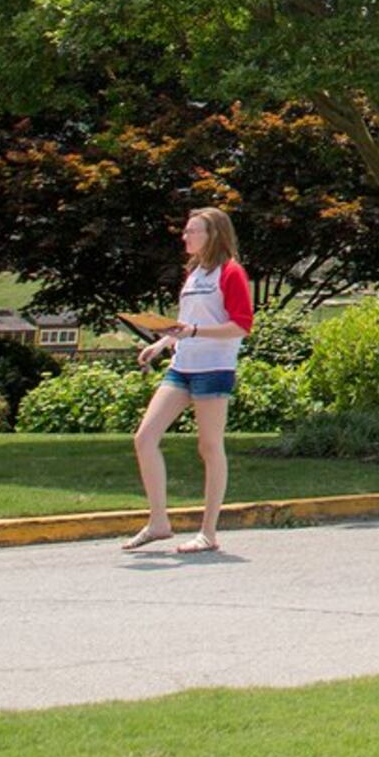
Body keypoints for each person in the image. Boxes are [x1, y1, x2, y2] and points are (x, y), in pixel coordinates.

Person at [127, 206, 252, 554]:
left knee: (210, 447)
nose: (185, 236)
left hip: (214, 367)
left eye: (192, 231)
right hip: (182, 366)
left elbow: (241, 325)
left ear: (212, 235)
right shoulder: (195, 273)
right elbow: (185, 322)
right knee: (145, 437)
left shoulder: (230, 273)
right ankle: (158, 522)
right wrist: (162, 342)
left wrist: (194, 331)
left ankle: (208, 532)